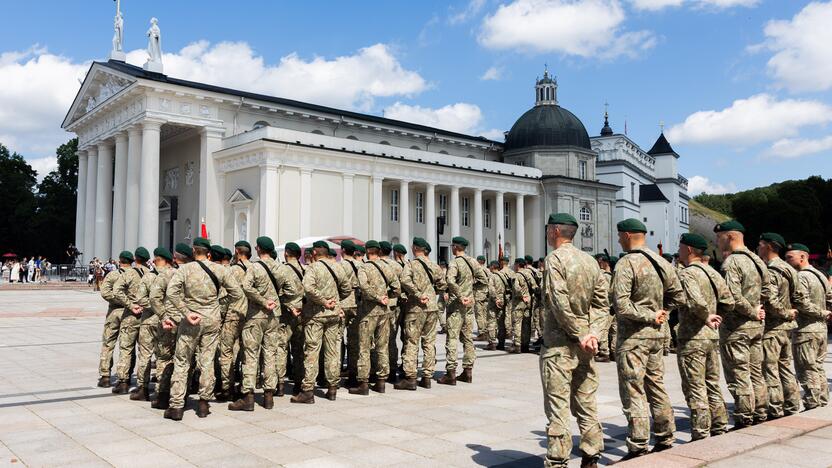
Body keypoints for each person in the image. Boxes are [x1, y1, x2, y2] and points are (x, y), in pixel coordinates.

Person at [612, 218, 685, 460]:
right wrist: (663, 312)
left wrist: (651, 315)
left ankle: (639, 443)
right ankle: (665, 436)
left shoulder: (626, 263)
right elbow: (679, 296)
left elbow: (621, 305)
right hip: (656, 336)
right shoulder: (662, 262)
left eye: (620, 235)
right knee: (656, 386)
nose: (619, 239)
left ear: (629, 235)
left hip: (634, 337)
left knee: (634, 391)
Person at [539, 213, 607, 468]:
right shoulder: (591, 262)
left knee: (558, 407)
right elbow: (602, 305)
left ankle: (558, 460)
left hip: (559, 346)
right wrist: (593, 335)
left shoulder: (555, 259)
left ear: (555, 231)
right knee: (586, 402)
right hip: (586, 347)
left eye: (548, 230)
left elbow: (558, 302)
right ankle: (591, 457)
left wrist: (578, 333)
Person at [163, 237, 244, 421]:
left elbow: (171, 293)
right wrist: (216, 304)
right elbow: (237, 293)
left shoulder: (184, 269)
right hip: (212, 319)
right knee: (207, 361)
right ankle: (203, 404)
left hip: (190, 320)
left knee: (182, 361)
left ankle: (176, 406)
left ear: (193, 252)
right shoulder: (220, 269)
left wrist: (185, 311)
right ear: (208, 253)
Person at [230, 236, 301, 411]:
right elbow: (293, 291)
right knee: (271, 354)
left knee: (251, 355)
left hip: (255, 315)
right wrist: (276, 300)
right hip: (274, 316)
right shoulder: (281, 268)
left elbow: (246, 287)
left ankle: (248, 397)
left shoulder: (254, 267)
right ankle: (269, 396)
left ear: (260, 249)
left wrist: (262, 301)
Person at [676, 233, 732, 440]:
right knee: (712, 383)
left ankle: (700, 432)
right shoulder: (713, 272)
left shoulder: (687, 273)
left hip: (693, 337)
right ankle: (719, 424)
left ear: (689, 250)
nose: (679, 251)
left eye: (681, 247)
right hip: (711, 336)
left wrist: (707, 316)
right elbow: (728, 300)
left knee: (695, 386)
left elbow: (695, 301)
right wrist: (719, 318)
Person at [714, 220, 769, 428]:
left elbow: (732, 298)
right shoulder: (757, 259)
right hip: (756, 327)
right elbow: (768, 291)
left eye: (720, 238)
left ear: (729, 236)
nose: (718, 242)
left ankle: (745, 416)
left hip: (737, 329)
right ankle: (761, 411)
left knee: (739, 375)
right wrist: (758, 308)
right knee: (756, 372)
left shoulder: (732, 263)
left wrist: (752, 311)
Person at [294, 240, 351, 403]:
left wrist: (323, 301)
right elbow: (347, 288)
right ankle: (332, 388)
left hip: (316, 315)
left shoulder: (313, 267)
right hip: (333, 314)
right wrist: (335, 301)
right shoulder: (337, 266)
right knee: (332, 350)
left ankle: (307, 391)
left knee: (312, 351)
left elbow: (308, 288)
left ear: (314, 254)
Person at [758, 233, 805, 419]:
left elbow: (770, 300)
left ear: (769, 246)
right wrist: (792, 311)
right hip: (787, 326)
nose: (758, 248)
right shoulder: (789, 269)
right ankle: (793, 404)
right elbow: (800, 296)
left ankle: (775, 408)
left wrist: (785, 312)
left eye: (761, 244)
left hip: (773, 328)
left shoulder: (771, 270)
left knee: (771, 370)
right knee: (785, 367)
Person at [395, 237, 446, 390]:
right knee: (429, 342)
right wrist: (431, 293)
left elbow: (404, 281)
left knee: (412, 342)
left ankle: (410, 378)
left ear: (415, 248)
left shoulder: (411, 265)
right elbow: (442, 285)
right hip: (432, 307)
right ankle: (427, 377)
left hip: (416, 309)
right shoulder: (435, 266)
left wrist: (417, 294)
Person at [785, 243, 832, 410]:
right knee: (817, 367)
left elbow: (801, 302)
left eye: (790, 257)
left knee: (806, 369)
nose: (787, 260)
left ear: (803, 257)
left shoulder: (802, 277)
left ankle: (812, 402)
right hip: (820, 329)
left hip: (806, 330)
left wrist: (821, 312)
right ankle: (822, 399)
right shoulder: (819, 275)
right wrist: (826, 313)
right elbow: (830, 298)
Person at [350, 240, 399, 394]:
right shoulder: (387, 267)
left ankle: (363, 383)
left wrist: (377, 297)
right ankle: (381, 382)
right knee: (382, 346)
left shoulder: (364, 268)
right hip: (385, 311)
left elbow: (363, 287)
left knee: (364, 347)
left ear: (367, 251)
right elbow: (397, 288)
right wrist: (386, 296)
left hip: (368, 312)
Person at [439, 236, 486, 385]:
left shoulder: (454, 263)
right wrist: (472, 295)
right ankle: (468, 371)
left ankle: (451, 373)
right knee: (467, 338)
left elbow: (450, 281)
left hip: (456, 306)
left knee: (452, 338)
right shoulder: (473, 262)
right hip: (469, 306)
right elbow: (484, 280)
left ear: (455, 247)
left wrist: (460, 296)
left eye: (452, 245)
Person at [149, 243, 191, 409]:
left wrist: (163, 316)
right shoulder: (194, 272)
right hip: (188, 322)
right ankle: (182, 395)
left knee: (165, 358)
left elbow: (154, 298)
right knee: (185, 360)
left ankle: (163, 395)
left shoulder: (167, 273)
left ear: (175, 258)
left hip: (169, 322)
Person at [130, 247, 173, 401]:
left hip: (148, 321)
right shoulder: (173, 275)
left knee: (145, 355)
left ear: (156, 259)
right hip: (166, 320)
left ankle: (143, 388)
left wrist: (153, 306)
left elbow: (140, 299)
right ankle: (162, 390)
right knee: (164, 356)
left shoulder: (148, 277)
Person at [110, 247, 151, 394]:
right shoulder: (151, 273)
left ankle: (123, 382)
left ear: (136, 258)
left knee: (126, 348)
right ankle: (143, 384)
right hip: (147, 315)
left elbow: (116, 291)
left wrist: (130, 304)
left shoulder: (129, 273)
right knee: (145, 351)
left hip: (130, 316)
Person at [215, 241, 252, 402]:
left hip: (233, 315)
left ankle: (227, 388)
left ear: (237, 252)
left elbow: (224, 297)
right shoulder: (256, 268)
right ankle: (246, 386)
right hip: (251, 315)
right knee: (248, 352)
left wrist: (220, 316)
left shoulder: (231, 271)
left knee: (226, 351)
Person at [97, 252, 131, 387]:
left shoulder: (113, 274)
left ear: (120, 261)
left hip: (114, 311)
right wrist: (128, 302)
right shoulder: (136, 274)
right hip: (129, 312)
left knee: (108, 343)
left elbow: (104, 292)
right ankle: (124, 377)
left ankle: (105, 376)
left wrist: (117, 300)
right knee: (126, 346)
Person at [379, 241, 405, 383]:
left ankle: (380, 369)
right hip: (395, 304)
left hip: (378, 305)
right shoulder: (397, 266)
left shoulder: (374, 265)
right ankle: (392, 369)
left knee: (378, 339)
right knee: (391, 338)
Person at [338, 240, 362, 388]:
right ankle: (353, 374)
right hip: (357, 304)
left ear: (342, 251)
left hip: (343, 303)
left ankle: (335, 373)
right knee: (355, 341)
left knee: (337, 340)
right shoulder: (361, 265)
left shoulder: (340, 266)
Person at [594, 253, 614, 363]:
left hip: (607, 307)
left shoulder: (606, 276)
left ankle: (604, 352)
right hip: (614, 307)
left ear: (606, 263)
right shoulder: (614, 275)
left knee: (604, 330)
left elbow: (606, 294)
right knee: (614, 330)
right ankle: (613, 352)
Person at [510, 258, 532, 354]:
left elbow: (516, 288)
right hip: (528, 302)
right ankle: (525, 345)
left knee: (517, 323)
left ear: (518, 265)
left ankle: (517, 345)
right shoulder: (529, 274)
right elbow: (534, 286)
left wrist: (522, 296)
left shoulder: (517, 275)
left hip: (519, 303)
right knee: (526, 324)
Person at [474, 255, 490, 341]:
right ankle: (486, 331)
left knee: (479, 314)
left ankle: (482, 333)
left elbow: (474, 281)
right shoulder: (487, 270)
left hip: (479, 294)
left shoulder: (478, 270)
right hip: (487, 294)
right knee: (485, 314)